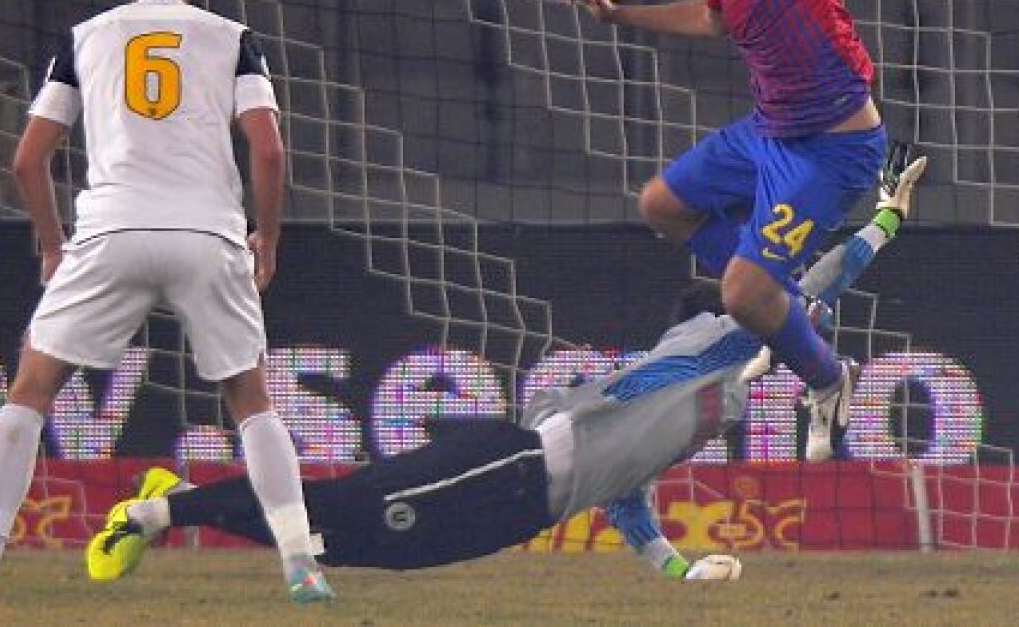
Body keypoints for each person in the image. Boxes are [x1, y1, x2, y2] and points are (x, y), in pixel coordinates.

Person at [85, 146, 926, 583]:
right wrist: (885, 220)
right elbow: (816, 285)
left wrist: (680, 571)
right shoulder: (715, 349)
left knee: (340, 544)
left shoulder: (708, 411)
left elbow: (623, 498)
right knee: (334, 516)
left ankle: (175, 501)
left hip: (514, 512)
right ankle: (153, 514)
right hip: (513, 465)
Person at [563, 0, 1019, 463]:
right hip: (769, 132)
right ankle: (792, 307)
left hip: (831, 149)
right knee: (662, 205)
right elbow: (712, 19)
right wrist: (616, 16)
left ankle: (829, 377)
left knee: (740, 295)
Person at [0, 0, 333, 605]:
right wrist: (266, 236)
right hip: (206, 233)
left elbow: (28, 160)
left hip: (112, 229)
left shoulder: (84, 38)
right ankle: (303, 568)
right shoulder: (233, 38)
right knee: (251, 400)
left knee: (31, 390)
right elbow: (268, 150)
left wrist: (52, 245)